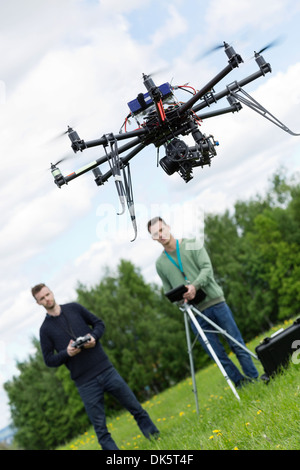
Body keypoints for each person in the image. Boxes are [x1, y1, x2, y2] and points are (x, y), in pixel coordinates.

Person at [32, 283, 159, 450]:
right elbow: (49, 360)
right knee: (101, 429)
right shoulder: (45, 330)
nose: (47, 299)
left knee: (135, 408)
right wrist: (67, 353)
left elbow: (99, 324)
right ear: (38, 303)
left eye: (47, 294)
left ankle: (156, 440)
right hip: (85, 382)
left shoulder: (74, 308)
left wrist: (93, 337)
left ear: (52, 292)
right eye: (42, 298)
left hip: (106, 369)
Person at [147, 217, 259, 389]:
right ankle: (242, 385)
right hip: (194, 313)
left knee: (236, 343)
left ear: (168, 227)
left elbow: (207, 268)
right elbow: (167, 291)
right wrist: (180, 299)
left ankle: (255, 378)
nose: (160, 235)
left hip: (215, 302)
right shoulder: (160, 264)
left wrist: (194, 286)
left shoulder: (192, 243)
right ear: (153, 238)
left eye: (162, 230)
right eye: (155, 234)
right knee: (216, 354)